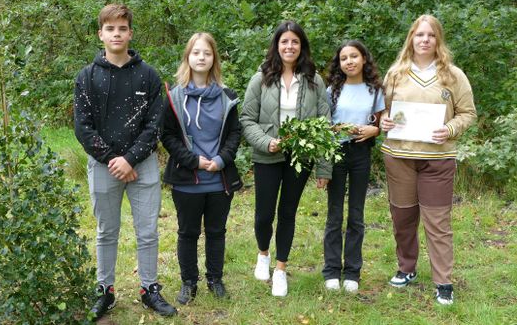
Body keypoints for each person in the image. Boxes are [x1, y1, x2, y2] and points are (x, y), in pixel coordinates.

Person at [73, 4, 177, 320]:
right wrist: (112, 159)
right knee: (107, 231)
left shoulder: (148, 76)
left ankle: (149, 290)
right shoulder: (87, 77)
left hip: (142, 163)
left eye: (122, 29)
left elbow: (154, 124)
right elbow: (82, 126)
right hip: (103, 164)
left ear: (130, 33)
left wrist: (130, 159)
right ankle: (105, 291)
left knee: (147, 231)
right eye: (110, 29)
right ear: (100, 34)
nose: (116, 34)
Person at [380, 15, 476, 305]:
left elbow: (468, 114)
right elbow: (383, 112)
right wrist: (384, 121)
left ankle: (443, 281)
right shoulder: (396, 73)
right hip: (400, 157)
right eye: (419, 35)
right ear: (411, 38)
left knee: (437, 221)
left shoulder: (453, 75)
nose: (424, 40)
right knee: (403, 219)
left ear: (438, 40)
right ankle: (407, 268)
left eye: (430, 35)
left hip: (437, 160)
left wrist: (449, 128)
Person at [240, 20, 331, 297]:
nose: (289, 46)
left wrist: (323, 167)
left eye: (295, 42)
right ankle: (263, 254)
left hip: (300, 158)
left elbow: (325, 122)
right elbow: (247, 119)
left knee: (288, 212)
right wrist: (267, 143)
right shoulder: (261, 79)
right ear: (276, 46)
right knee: (264, 214)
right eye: (284, 41)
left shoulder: (315, 80)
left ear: (301, 46)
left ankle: (280, 269)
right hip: (268, 155)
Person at [161, 32, 242, 305]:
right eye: (196, 52)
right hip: (188, 179)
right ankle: (189, 282)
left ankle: (215, 280)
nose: (201, 57)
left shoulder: (227, 97)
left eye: (207, 53)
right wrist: (194, 160)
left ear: (213, 59)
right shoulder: (174, 96)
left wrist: (220, 160)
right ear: (188, 57)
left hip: (219, 179)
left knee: (217, 232)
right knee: (188, 232)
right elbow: (168, 135)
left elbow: (234, 134)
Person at [322, 40, 384, 293]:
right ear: (339, 63)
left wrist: (375, 130)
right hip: (337, 152)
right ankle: (331, 271)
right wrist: (340, 129)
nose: (349, 61)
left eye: (354, 56)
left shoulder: (375, 90)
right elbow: (324, 126)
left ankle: (352, 273)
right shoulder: (332, 91)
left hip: (361, 152)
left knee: (356, 214)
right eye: (344, 58)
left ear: (364, 59)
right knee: (335, 213)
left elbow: (381, 123)